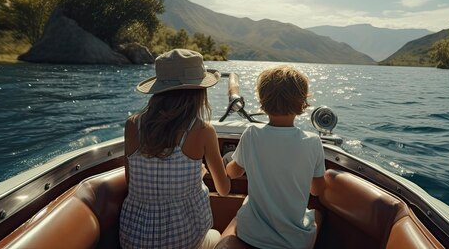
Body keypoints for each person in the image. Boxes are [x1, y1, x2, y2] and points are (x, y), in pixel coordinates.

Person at [119, 48, 231, 249]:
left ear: (158, 89)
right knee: (215, 235)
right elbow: (223, 190)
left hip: (132, 240)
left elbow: (131, 182)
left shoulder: (132, 125)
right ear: (199, 92)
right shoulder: (203, 130)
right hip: (184, 240)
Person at [221, 65, 326, 249]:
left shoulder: (252, 134)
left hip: (250, 235)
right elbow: (316, 190)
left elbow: (235, 173)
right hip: (294, 243)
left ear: (262, 101)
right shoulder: (313, 142)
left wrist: (227, 162)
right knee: (317, 214)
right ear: (302, 102)